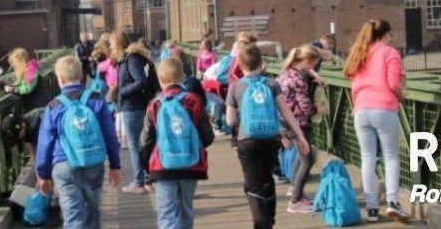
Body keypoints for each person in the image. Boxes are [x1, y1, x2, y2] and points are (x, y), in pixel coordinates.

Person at [226, 44, 310, 229]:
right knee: (267, 179)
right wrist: (301, 137)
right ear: (261, 63)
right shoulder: (272, 84)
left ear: (240, 64)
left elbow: (230, 120)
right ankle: (269, 221)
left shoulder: (236, 86)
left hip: (247, 140)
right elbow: (286, 112)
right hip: (271, 140)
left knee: (253, 183)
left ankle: (261, 223)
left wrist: (245, 120)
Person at [35, 56, 122, 229]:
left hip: (64, 165)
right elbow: (110, 134)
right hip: (93, 162)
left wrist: (43, 175)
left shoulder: (54, 106)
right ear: (82, 75)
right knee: (92, 214)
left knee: (73, 216)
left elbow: (45, 142)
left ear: (59, 79)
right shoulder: (97, 99)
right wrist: (115, 165)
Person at [342, 19, 409, 222]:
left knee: (368, 158)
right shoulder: (389, 53)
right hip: (384, 108)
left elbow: (353, 84)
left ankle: (371, 208)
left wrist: (357, 105)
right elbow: (393, 83)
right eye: (390, 35)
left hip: (361, 110)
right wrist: (402, 96)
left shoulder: (358, 53)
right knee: (390, 156)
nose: (391, 38)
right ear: (385, 34)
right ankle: (392, 202)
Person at [140, 58, 214, 229]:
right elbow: (208, 136)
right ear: (183, 76)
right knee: (186, 211)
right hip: (191, 166)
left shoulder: (155, 104)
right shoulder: (194, 101)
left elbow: (145, 141)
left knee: (167, 214)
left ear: (160, 79)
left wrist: (147, 167)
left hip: (162, 167)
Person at [276, 45, 325, 213]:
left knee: (301, 155)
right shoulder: (299, 80)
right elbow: (306, 107)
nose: (313, 69)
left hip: (283, 121)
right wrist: (319, 109)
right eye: (313, 65)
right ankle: (295, 200)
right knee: (307, 159)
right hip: (296, 123)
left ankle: (294, 189)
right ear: (306, 61)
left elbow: (305, 71)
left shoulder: (286, 72)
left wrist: (315, 75)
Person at [113, 31, 155, 194]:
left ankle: (139, 182)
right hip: (132, 105)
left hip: (133, 106)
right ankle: (146, 179)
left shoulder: (131, 59)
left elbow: (140, 81)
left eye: (111, 44)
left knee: (135, 145)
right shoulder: (127, 59)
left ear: (117, 44)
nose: (110, 48)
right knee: (139, 144)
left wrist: (122, 92)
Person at [0, 48, 45, 157]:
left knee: (35, 139)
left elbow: (27, 88)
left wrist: (12, 90)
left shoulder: (31, 70)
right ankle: (37, 163)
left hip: (37, 110)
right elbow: (19, 86)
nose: (13, 66)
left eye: (14, 62)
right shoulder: (27, 70)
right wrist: (0, 84)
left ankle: (39, 165)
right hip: (33, 109)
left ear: (21, 60)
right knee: (33, 139)